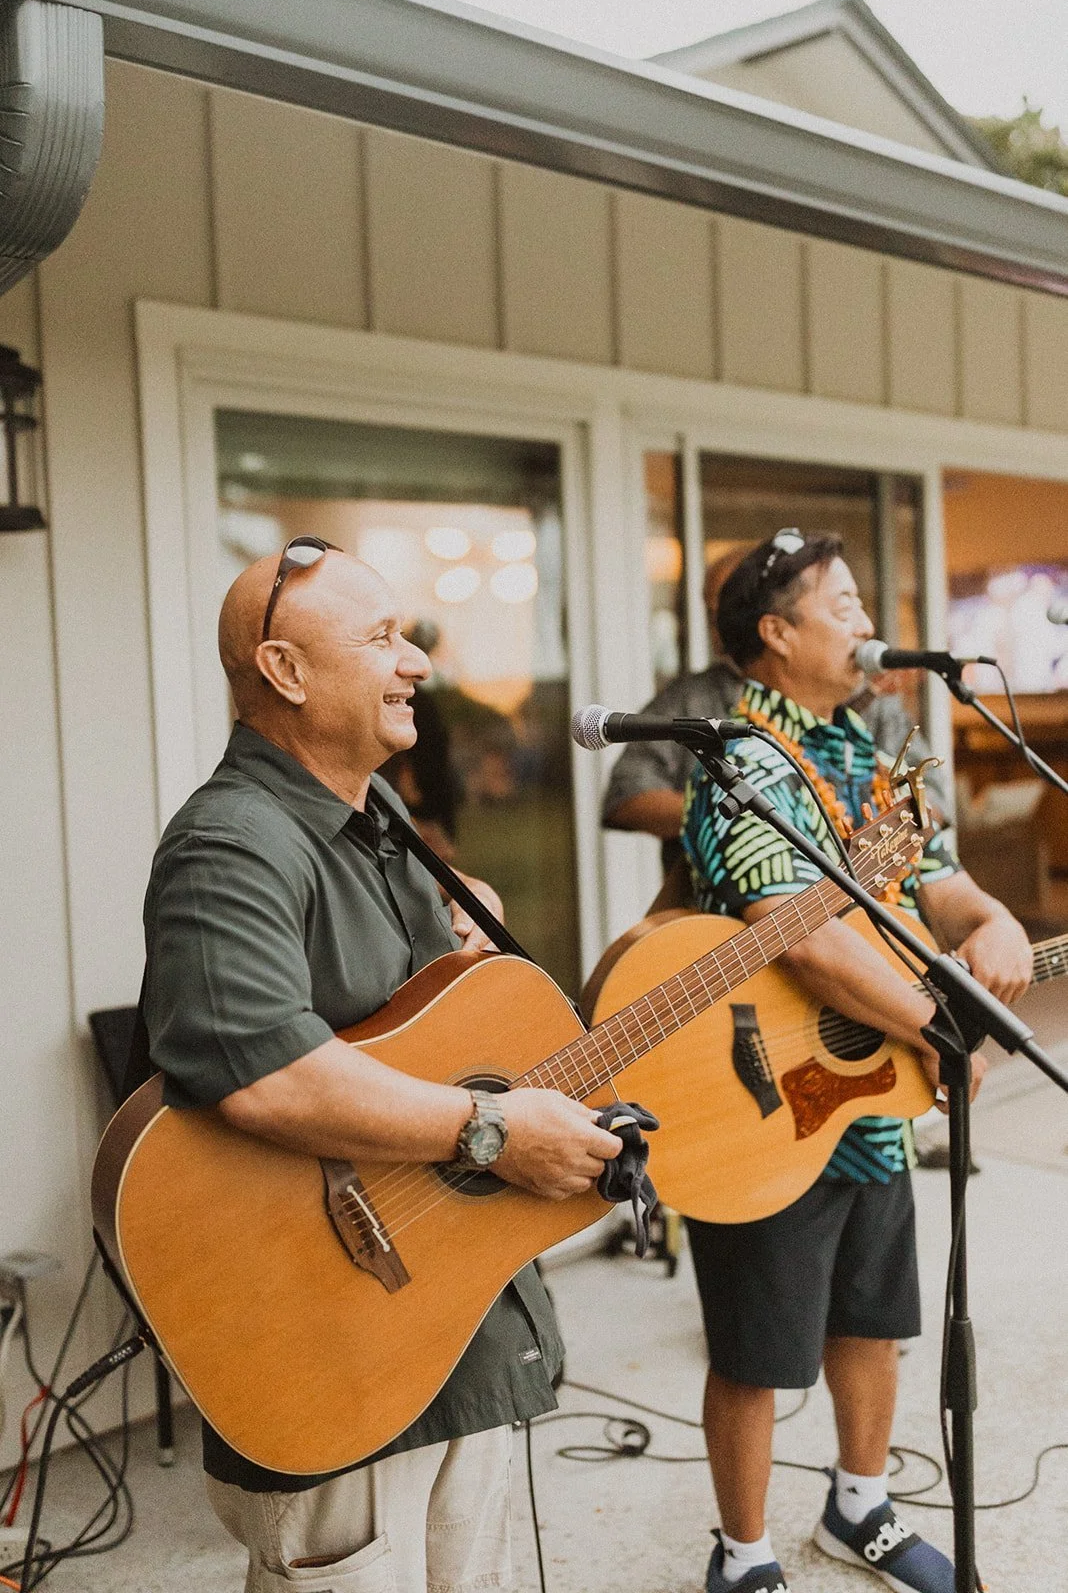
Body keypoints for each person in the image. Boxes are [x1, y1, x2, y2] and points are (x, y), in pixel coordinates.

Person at [141, 536, 621, 1593]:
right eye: (382, 638)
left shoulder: (379, 813)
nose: (418, 663)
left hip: (447, 1318)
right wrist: (492, 1130)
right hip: (326, 1343)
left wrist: (468, 924)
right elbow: (266, 1072)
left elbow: (397, 1013)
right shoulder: (230, 844)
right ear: (285, 671)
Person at [679, 530, 1032, 1593]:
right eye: (841, 604)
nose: (868, 623)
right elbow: (796, 931)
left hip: (867, 1093)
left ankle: (860, 1506)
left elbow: (938, 883)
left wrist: (995, 920)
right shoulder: (743, 758)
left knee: (874, 1320)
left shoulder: (872, 756)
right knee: (755, 1348)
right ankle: (742, 1554)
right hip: (756, 1095)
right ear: (777, 634)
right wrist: (937, 1023)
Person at [602, 547, 944, 876]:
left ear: (773, 623)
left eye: (734, 607)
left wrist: (860, 844)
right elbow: (626, 798)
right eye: (713, 611)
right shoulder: (690, 698)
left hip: (870, 894)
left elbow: (933, 801)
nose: (722, 622)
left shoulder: (866, 698)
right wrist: (745, 814)